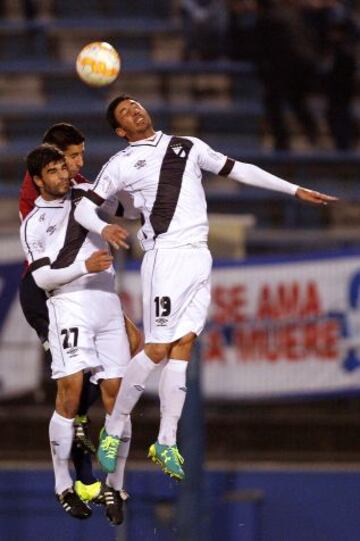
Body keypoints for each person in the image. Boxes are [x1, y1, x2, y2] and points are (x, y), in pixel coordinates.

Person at [74, 94, 337, 480]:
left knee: (184, 347)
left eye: (136, 104)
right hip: (166, 255)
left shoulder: (188, 146)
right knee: (158, 347)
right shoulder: (121, 163)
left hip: (199, 254)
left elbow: (239, 169)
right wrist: (104, 225)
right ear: (120, 130)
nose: (136, 110)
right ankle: (112, 429)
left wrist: (293, 189)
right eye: (125, 112)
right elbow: (86, 204)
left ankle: (166, 441)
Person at [19, 123, 141, 505]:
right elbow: (43, 274)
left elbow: (123, 210)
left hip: (99, 297)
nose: (76, 165)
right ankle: (68, 480)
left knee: (114, 388)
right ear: (46, 169)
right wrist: (87, 261)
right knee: (70, 389)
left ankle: (112, 484)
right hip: (53, 296)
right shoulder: (36, 205)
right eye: (69, 158)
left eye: (78, 157)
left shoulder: (85, 186)